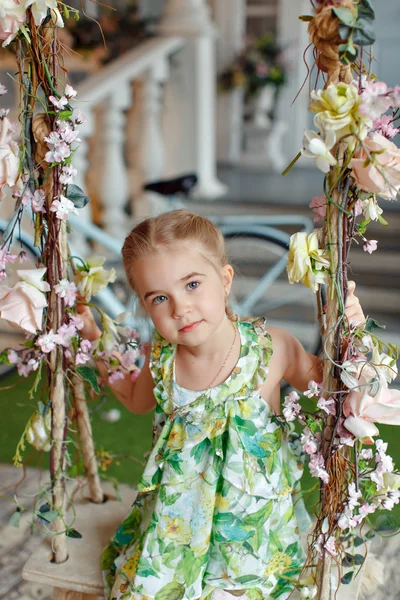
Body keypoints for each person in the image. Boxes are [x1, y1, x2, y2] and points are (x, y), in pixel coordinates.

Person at [77, 210, 364, 600]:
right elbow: (133, 398)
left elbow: (336, 388)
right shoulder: (163, 360)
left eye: (192, 284)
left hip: (250, 526)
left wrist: (352, 334)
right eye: (160, 298)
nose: (180, 308)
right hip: (180, 524)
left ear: (225, 280)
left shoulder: (272, 349)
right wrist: (95, 340)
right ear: (146, 307)